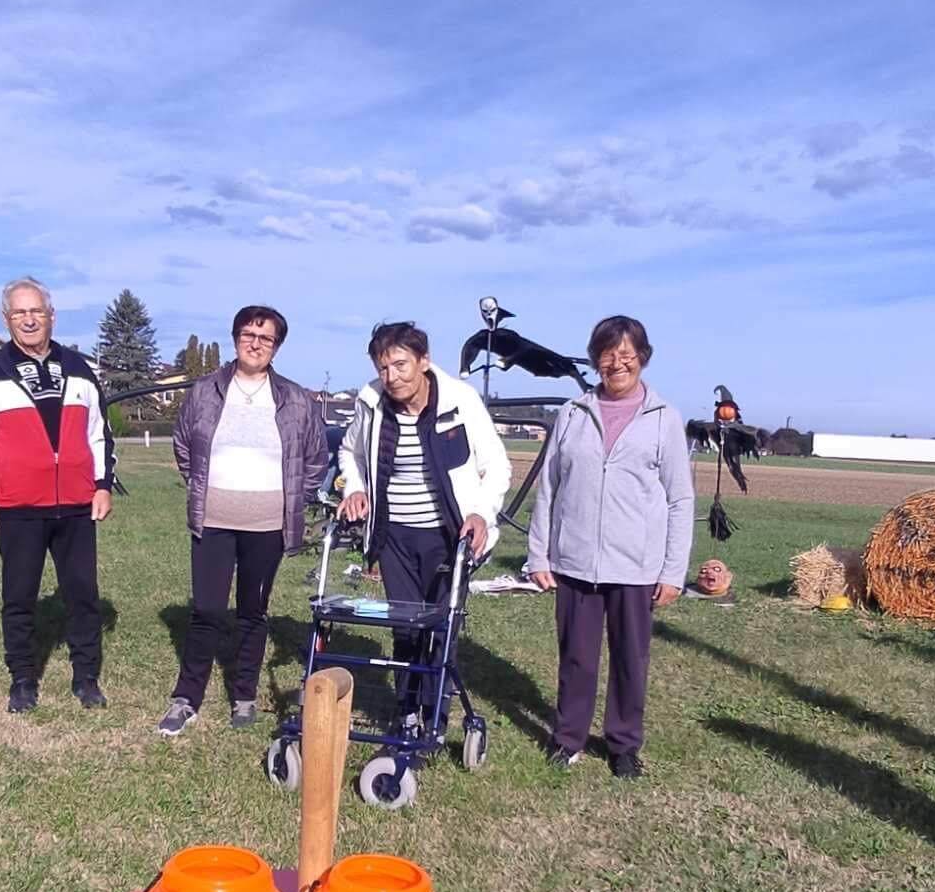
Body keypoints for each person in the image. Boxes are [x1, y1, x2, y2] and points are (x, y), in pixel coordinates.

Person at [527, 314, 693, 778]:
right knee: (576, 658)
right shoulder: (572, 413)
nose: (618, 363)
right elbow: (549, 487)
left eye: (627, 354)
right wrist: (539, 554)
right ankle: (568, 738)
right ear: (595, 359)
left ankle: (623, 745)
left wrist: (673, 571)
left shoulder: (664, 418)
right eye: (607, 354)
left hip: (636, 566)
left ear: (643, 358)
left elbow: (680, 499)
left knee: (629, 660)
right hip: (575, 561)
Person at [158, 305, 329, 737]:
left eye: (265, 338)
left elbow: (315, 458)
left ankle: (245, 695)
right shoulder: (205, 391)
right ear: (236, 339)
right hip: (214, 519)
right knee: (207, 609)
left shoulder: (296, 399)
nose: (256, 343)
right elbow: (183, 444)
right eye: (248, 335)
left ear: (277, 347)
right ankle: (186, 698)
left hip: (268, 526)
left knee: (253, 611)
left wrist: (295, 497)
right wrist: (203, 485)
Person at [0, 276, 114, 713]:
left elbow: (100, 434)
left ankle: (86, 678)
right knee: (19, 598)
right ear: (7, 319)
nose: (29, 320)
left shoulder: (80, 368)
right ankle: (23, 679)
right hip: (19, 508)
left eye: (36, 311)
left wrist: (102, 485)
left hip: (77, 507)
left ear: (51, 316)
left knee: (83, 595)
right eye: (20, 312)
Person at [337, 321, 510, 719]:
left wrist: (481, 514)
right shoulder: (371, 403)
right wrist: (355, 489)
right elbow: (350, 453)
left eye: (401, 365)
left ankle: (435, 715)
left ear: (424, 361)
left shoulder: (460, 400)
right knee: (405, 626)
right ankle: (407, 713)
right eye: (383, 368)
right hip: (394, 537)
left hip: (449, 535)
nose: (391, 377)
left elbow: (497, 465)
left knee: (440, 626)